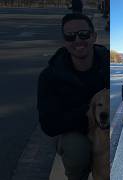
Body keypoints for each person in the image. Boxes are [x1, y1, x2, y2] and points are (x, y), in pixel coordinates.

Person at [37, 13, 109, 180]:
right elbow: (49, 125)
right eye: (70, 36)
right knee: (77, 152)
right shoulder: (50, 76)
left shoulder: (107, 66)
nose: (77, 40)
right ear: (64, 41)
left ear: (94, 36)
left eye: (83, 34)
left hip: (105, 128)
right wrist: (89, 114)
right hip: (75, 131)